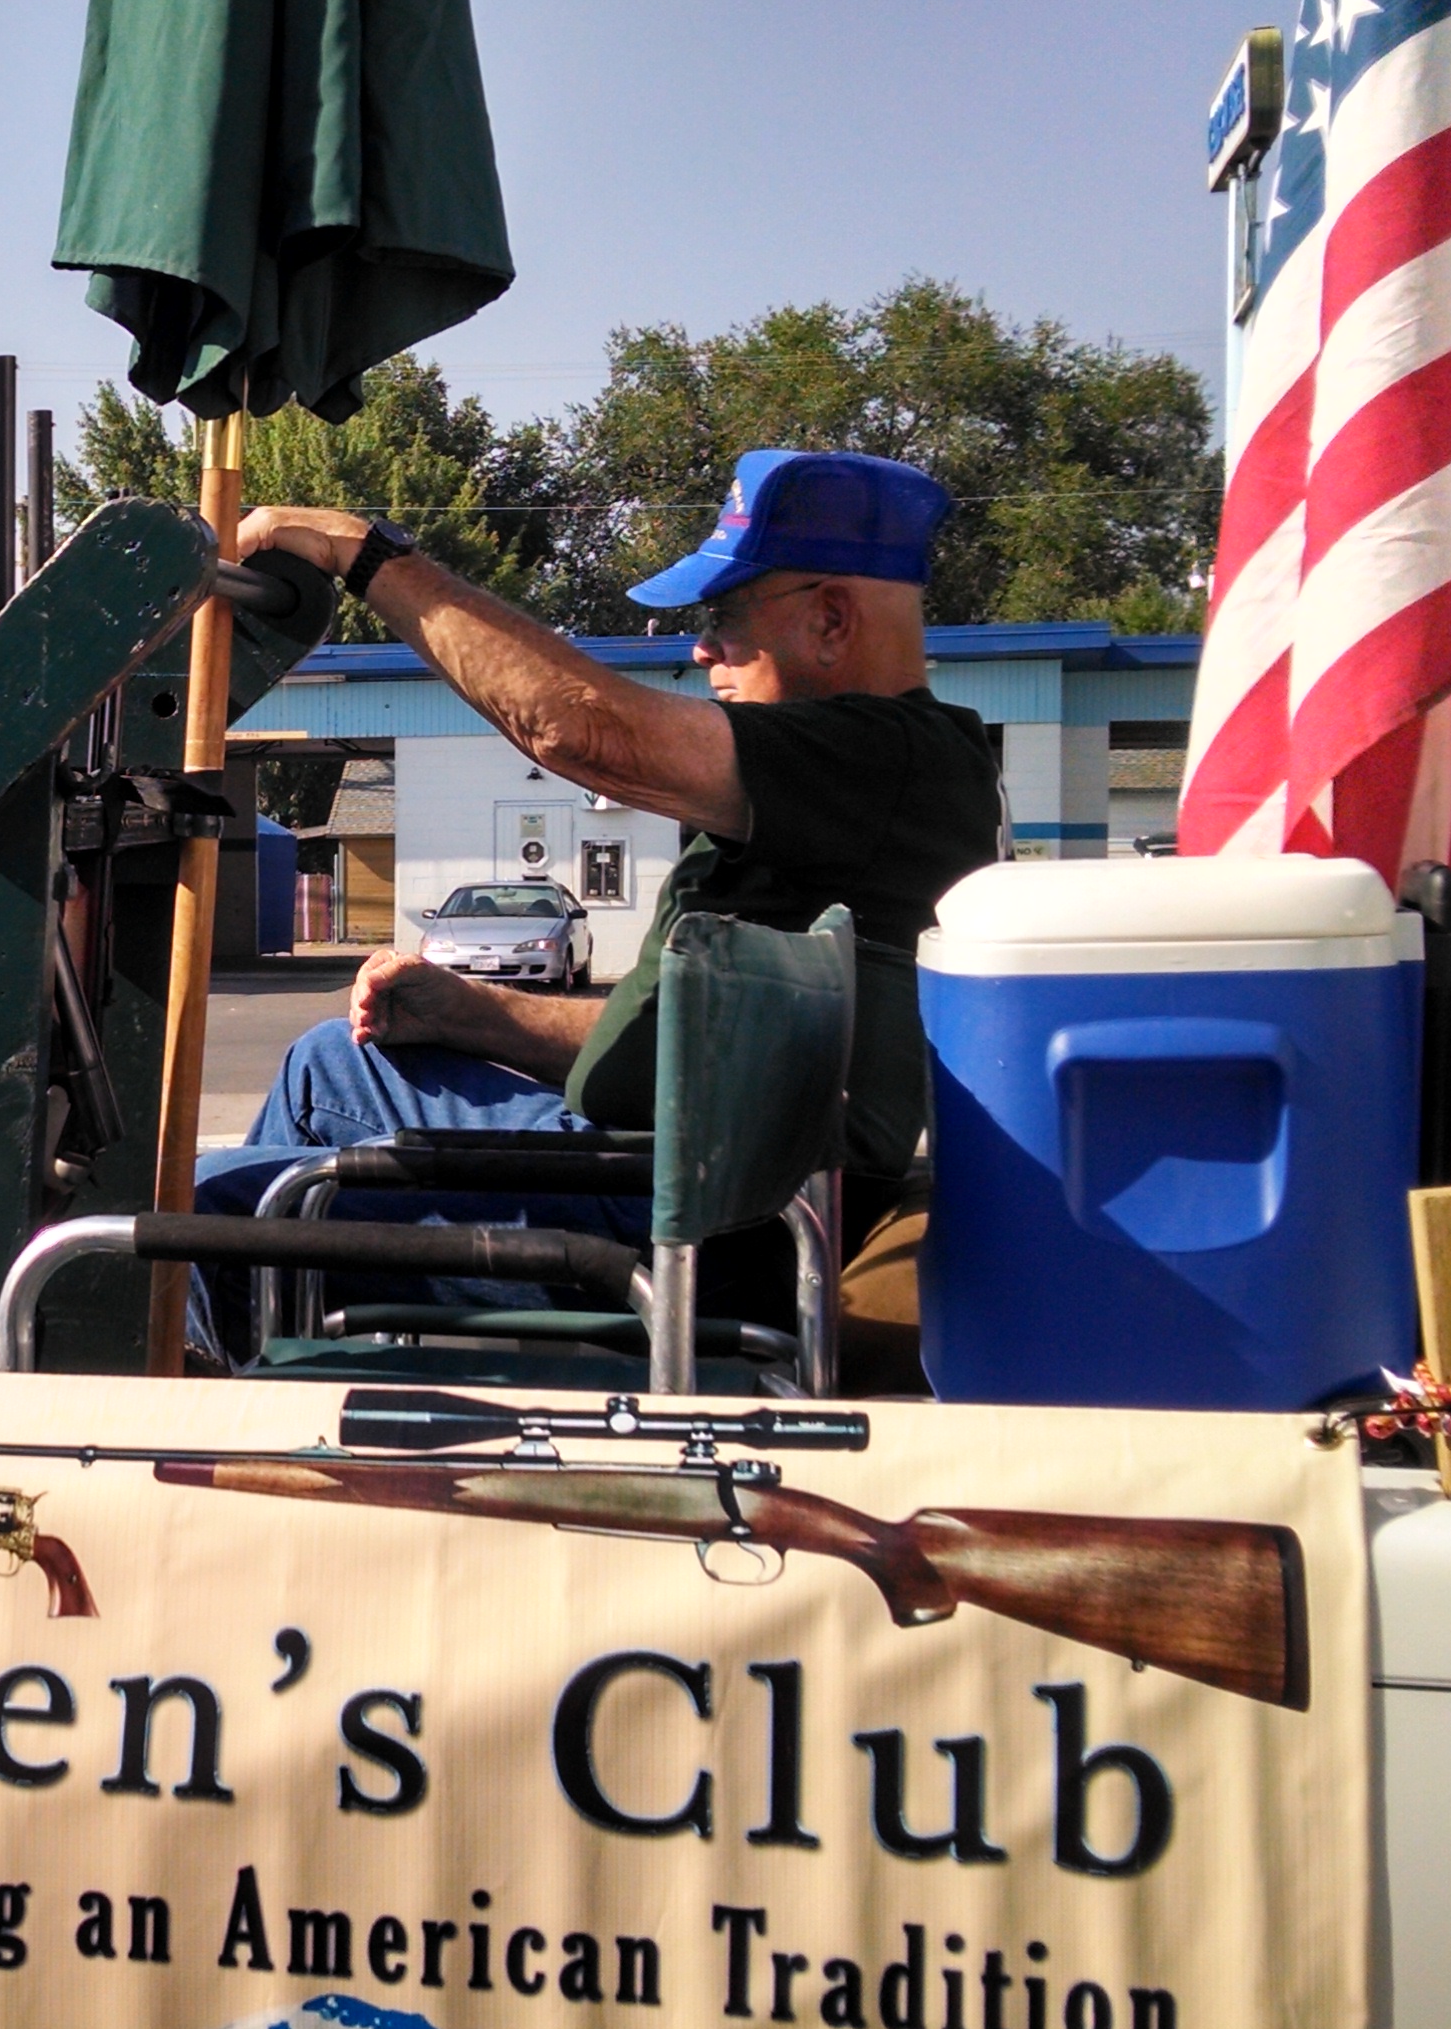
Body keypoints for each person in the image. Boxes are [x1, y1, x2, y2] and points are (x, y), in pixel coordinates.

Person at [204, 451, 999, 1386]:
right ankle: (259, 1357)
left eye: (728, 620)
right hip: (675, 1170)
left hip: (683, 1219)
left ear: (831, 619)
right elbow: (684, 1044)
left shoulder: (886, 757)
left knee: (213, 1210)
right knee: (329, 1062)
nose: (703, 651)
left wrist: (364, 555)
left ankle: (202, 1417)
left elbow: (579, 729)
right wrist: (469, 1012)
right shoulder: (843, 790)